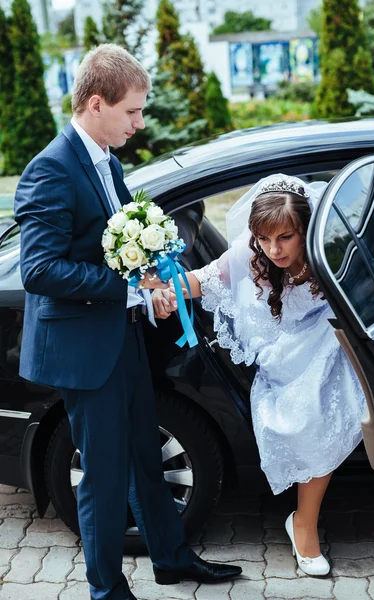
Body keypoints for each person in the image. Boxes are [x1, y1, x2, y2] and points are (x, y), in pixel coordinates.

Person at [14, 44, 241, 600]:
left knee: (145, 451)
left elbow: (117, 251)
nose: (140, 123)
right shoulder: (50, 169)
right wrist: (129, 291)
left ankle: (170, 559)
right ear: (96, 103)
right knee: (103, 474)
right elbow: (39, 269)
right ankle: (106, 589)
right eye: (132, 112)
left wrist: (154, 288)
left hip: (122, 338)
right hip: (83, 349)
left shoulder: (107, 161)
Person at [153, 174, 366, 577]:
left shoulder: (329, 252)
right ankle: (301, 523)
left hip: (325, 344)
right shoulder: (245, 257)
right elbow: (199, 281)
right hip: (282, 357)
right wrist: (156, 287)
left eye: (285, 237)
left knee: (325, 401)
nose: (273, 250)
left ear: (306, 228)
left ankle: (303, 520)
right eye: (265, 240)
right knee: (310, 412)